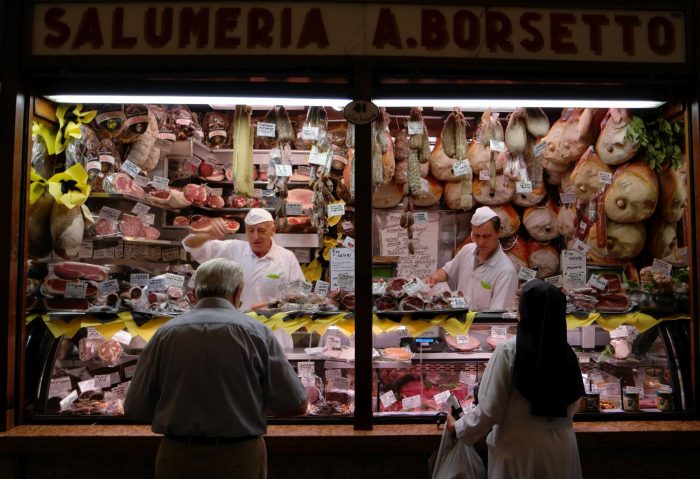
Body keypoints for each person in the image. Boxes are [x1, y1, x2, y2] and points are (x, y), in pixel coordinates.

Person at [124, 258, 308, 479]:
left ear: (195, 292)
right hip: (239, 458)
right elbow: (296, 405)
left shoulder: (165, 333)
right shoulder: (257, 333)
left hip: (178, 458)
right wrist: (249, 407)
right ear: (238, 292)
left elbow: (136, 407)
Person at [446, 279, 585, 479]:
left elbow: (490, 410)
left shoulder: (509, 350)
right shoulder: (568, 353)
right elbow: (575, 404)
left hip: (518, 451)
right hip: (561, 449)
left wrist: (457, 426)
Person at [182, 208, 304, 311]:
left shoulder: (287, 257)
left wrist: (274, 306)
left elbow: (300, 296)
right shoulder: (234, 248)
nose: (255, 237)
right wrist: (207, 235)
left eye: (261, 231)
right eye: (251, 231)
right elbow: (190, 245)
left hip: (277, 331)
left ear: (273, 230)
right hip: (240, 328)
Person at [425, 206, 518, 311]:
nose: (480, 242)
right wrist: (435, 278)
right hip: (458, 323)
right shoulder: (467, 250)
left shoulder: (506, 272)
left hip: (481, 326)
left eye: (486, 236)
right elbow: (447, 271)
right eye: (476, 235)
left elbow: (497, 319)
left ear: (498, 233)